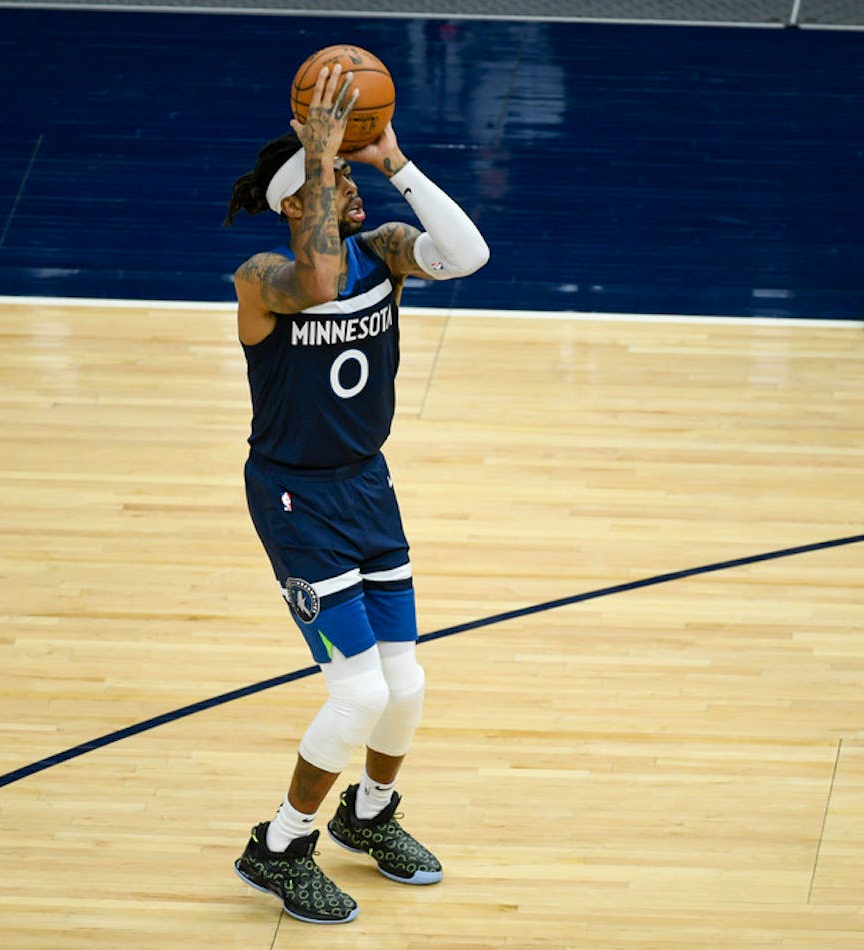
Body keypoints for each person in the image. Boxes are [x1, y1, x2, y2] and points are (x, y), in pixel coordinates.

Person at [220, 64, 489, 925]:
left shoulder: (382, 255)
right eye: (335, 185)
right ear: (299, 203)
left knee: (404, 686)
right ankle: (280, 847)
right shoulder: (264, 278)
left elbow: (468, 255)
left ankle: (367, 818)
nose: (354, 194)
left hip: (366, 485)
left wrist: (392, 158)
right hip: (296, 499)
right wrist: (320, 157)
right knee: (358, 695)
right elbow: (321, 285)